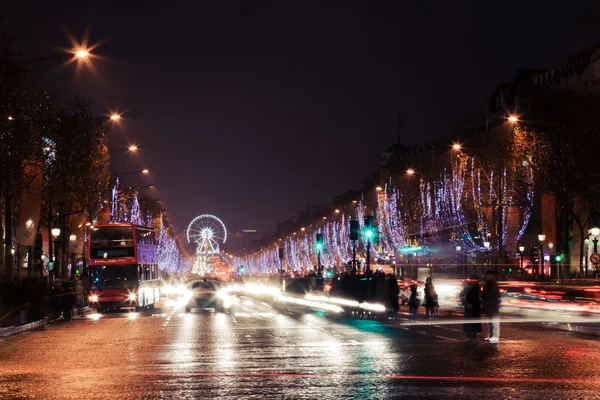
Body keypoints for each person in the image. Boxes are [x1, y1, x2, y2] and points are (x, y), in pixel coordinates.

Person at [460, 275, 482, 342]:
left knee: (475, 322)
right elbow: (462, 296)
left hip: (476, 307)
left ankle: (473, 336)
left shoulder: (478, 287)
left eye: (475, 279)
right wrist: (466, 304)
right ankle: (469, 336)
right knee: (469, 322)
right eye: (473, 279)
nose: (474, 281)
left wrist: (481, 304)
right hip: (469, 308)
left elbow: (480, 297)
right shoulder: (467, 287)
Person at [482, 270, 501, 343]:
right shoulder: (487, 284)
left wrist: (483, 296)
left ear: (492, 276)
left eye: (488, 275)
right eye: (486, 275)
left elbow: (492, 296)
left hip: (492, 306)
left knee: (494, 322)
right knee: (489, 322)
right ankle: (490, 335)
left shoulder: (493, 285)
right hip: (488, 305)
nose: (486, 277)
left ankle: (495, 336)